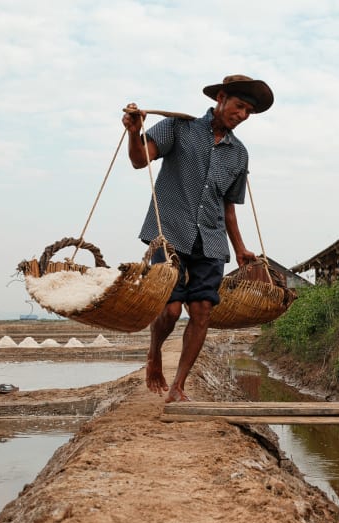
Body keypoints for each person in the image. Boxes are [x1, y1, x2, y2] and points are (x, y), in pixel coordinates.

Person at [122, 74, 273, 402]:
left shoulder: (239, 154)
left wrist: (241, 248)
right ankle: (154, 352)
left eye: (248, 112)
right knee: (173, 310)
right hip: (170, 234)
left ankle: (178, 386)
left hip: (212, 240)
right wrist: (135, 132)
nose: (242, 115)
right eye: (239, 106)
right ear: (221, 98)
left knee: (202, 310)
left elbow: (228, 208)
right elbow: (138, 159)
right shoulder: (178, 128)